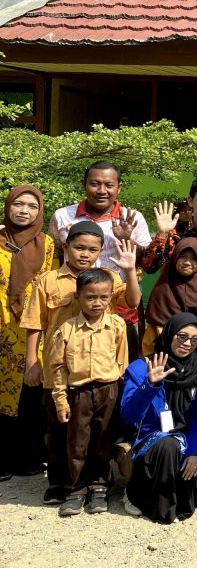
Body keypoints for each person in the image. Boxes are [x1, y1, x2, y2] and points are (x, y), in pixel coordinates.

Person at [20, 221, 139, 505]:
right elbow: (35, 323)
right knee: (60, 429)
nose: (85, 254)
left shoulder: (108, 276)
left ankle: (96, 484)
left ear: (100, 251)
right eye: (79, 247)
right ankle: (60, 483)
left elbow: (131, 302)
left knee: (97, 431)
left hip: (97, 370)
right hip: (59, 368)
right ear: (66, 247)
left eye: (93, 249)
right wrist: (31, 362)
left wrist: (131, 270)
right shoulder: (48, 281)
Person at [45, 268, 130, 516]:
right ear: (78, 297)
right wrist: (61, 401)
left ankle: (100, 487)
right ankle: (75, 490)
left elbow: (122, 361)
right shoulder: (67, 329)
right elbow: (58, 367)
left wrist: (121, 394)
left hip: (109, 391)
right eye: (90, 297)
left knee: (103, 440)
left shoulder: (116, 325)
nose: (97, 303)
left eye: (104, 297)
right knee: (77, 442)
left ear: (110, 296)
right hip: (78, 393)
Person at [48, 161, 152, 361]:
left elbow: (148, 262)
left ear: (119, 187)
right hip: (72, 302)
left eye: (109, 185)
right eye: (95, 184)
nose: (102, 190)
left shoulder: (132, 218)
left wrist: (126, 238)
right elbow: (55, 256)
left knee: (120, 366)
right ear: (84, 184)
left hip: (119, 305)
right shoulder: (63, 216)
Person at [120, 313, 197, 523]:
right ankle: (139, 497)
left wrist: (196, 452)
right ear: (169, 334)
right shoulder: (142, 367)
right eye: (182, 336)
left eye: (194, 339)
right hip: (150, 439)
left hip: (185, 440)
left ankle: (175, 501)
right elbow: (128, 415)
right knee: (168, 446)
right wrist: (150, 385)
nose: (188, 343)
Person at [0, 185, 56, 480]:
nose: (24, 211)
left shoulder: (47, 244)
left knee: (30, 395)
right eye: (18, 204)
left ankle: (28, 458)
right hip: (1, 329)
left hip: (32, 329)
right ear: (8, 206)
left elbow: (51, 284)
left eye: (32, 206)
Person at [141, 237, 197, 355]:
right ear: (175, 257)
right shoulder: (162, 288)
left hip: (196, 357)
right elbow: (151, 337)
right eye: (182, 256)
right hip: (162, 356)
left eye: (194, 258)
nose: (187, 262)